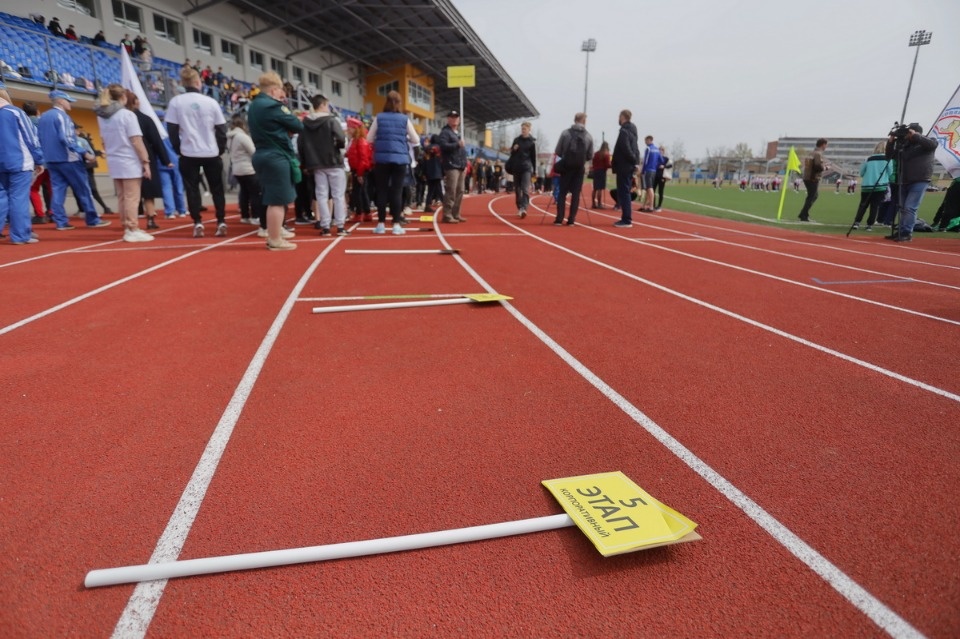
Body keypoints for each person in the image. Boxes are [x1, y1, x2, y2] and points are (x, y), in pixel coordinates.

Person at [164, 66, 227, 238]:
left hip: (189, 152)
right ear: (198, 82)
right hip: (211, 152)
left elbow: (172, 130)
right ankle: (221, 220)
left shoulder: (176, 102)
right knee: (217, 188)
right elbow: (221, 129)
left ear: (183, 84)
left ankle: (197, 222)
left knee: (192, 189)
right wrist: (220, 149)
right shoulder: (211, 102)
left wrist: (178, 149)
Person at [36, 90, 109, 230]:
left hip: (51, 160)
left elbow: (39, 139)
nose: (70, 104)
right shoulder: (62, 116)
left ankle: (61, 221)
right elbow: (67, 139)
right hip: (68, 159)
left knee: (57, 191)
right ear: (61, 101)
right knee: (83, 189)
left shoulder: (44, 117)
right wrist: (85, 153)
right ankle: (92, 219)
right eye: (68, 101)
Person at [246, 70, 303, 250]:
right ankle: (275, 239)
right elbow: (297, 125)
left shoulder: (254, 105)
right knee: (277, 200)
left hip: (263, 154)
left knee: (274, 197)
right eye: (281, 92)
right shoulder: (272, 106)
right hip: (275, 156)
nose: (283, 96)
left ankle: (276, 231)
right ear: (273, 91)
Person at [94, 84, 154, 242]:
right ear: (123, 97)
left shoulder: (101, 116)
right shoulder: (127, 115)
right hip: (128, 159)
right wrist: (145, 161)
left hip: (114, 158)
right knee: (132, 197)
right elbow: (136, 140)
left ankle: (127, 226)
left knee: (122, 196)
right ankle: (132, 227)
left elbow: (104, 140)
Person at [367, 90, 419, 235]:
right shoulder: (404, 119)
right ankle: (396, 224)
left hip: (382, 160)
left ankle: (381, 224)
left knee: (382, 191)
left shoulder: (379, 118)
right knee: (397, 191)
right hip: (400, 159)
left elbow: (369, 138)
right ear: (399, 103)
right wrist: (404, 138)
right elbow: (416, 140)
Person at [0, 80, 45, 245]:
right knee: (19, 198)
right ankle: (20, 235)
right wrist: (39, 159)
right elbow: (31, 138)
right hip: (19, 161)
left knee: (1, 197)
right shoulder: (15, 112)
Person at [298, 93, 349, 236]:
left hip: (316, 164)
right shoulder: (331, 120)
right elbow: (341, 138)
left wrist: (305, 163)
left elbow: (300, 144)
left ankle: (325, 226)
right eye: (326, 105)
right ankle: (340, 226)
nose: (328, 108)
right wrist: (337, 147)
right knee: (338, 195)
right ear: (322, 105)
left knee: (321, 195)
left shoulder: (305, 123)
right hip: (333, 161)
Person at [125, 91, 171, 230]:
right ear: (135, 102)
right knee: (148, 192)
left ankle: (128, 221)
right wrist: (165, 160)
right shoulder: (145, 119)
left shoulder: (119, 118)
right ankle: (150, 218)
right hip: (145, 157)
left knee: (128, 193)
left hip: (126, 157)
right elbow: (156, 141)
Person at [885, 123, 937, 243]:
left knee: (909, 207)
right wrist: (891, 142)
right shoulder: (905, 146)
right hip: (904, 179)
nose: (907, 135)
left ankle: (906, 233)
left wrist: (916, 136)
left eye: (909, 133)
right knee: (903, 207)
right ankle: (902, 230)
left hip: (920, 179)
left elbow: (932, 145)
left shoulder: (928, 142)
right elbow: (889, 156)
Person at [552, 113, 594, 226]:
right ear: (584, 122)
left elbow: (558, 151)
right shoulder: (588, 136)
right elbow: (590, 155)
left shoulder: (565, 133)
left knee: (562, 193)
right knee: (575, 194)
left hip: (566, 166)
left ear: (574, 120)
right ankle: (571, 220)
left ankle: (559, 218)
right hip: (579, 168)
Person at [227, 115, 261, 226]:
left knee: (244, 192)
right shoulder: (242, 137)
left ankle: (245, 215)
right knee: (254, 193)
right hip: (248, 168)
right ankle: (256, 216)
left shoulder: (230, 137)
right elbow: (253, 151)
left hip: (237, 169)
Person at [851, 142, 890, 231]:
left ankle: (857, 222)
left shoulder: (868, 159)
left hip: (866, 186)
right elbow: (890, 172)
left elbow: (861, 172)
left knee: (863, 205)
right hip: (880, 186)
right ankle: (869, 225)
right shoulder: (887, 159)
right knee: (874, 206)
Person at [437, 110, 468, 224]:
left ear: (459, 120)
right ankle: (447, 214)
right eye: (452, 117)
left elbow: (462, 151)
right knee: (451, 190)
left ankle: (456, 213)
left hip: (460, 165)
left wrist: (464, 164)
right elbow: (443, 146)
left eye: (456, 117)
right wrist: (457, 144)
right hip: (451, 165)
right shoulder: (445, 132)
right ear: (448, 119)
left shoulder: (458, 134)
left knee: (460, 190)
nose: (454, 119)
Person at [612, 109, 640, 228]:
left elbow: (625, 148)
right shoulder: (633, 131)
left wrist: (633, 159)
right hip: (629, 166)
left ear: (623, 117)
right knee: (625, 191)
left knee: (624, 192)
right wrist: (636, 162)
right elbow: (636, 148)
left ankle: (626, 219)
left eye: (619, 116)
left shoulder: (624, 131)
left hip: (624, 166)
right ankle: (626, 217)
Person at [76, 131, 112, 216]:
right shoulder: (83, 140)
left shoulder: (82, 140)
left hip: (86, 166)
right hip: (87, 166)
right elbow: (91, 152)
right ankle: (86, 209)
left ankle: (87, 209)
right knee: (89, 189)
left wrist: (98, 153)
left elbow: (91, 152)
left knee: (88, 189)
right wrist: (99, 153)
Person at [345, 117, 373, 222]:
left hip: (359, 169)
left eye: (350, 128)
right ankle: (366, 212)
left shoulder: (360, 141)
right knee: (362, 191)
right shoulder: (357, 140)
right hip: (358, 169)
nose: (348, 130)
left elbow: (363, 158)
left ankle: (359, 213)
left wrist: (360, 174)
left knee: (358, 192)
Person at [508, 122, 536, 218]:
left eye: (525, 129)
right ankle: (519, 206)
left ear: (529, 130)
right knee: (517, 189)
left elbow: (533, 157)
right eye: (522, 129)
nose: (523, 131)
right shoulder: (516, 140)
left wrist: (534, 170)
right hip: (516, 167)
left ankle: (524, 208)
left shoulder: (531, 142)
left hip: (526, 168)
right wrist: (513, 149)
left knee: (525, 189)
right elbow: (511, 154)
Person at [797, 138, 828, 222]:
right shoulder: (818, 154)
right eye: (826, 145)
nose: (826, 147)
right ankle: (803, 215)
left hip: (807, 176)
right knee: (812, 196)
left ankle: (803, 213)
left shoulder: (811, 153)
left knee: (813, 196)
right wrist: (825, 167)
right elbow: (818, 166)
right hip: (813, 177)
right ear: (823, 144)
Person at [639, 135, 661, 212]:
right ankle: (644, 206)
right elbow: (661, 160)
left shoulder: (648, 149)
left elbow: (645, 160)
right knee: (649, 188)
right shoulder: (657, 150)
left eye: (646, 141)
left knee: (649, 187)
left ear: (649, 140)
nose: (645, 142)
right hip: (654, 170)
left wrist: (642, 171)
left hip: (648, 170)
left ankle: (651, 206)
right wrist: (656, 165)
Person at [590, 141, 611, 209]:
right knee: (600, 189)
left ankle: (593, 203)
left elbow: (593, 162)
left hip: (596, 171)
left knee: (595, 188)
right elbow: (607, 165)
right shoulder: (606, 154)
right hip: (602, 172)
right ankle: (599, 204)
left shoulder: (596, 154)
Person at [654, 145, 671, 211]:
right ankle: (653, 205)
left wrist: (664, 166)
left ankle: (659, 206)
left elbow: (671, 165)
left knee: (660, 191)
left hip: (662, 177)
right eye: (659, 149)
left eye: (662, 150)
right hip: (655, 176)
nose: (660, 151)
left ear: (664, 151)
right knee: (653, 190)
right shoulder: (656, 158)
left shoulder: (666, 158)